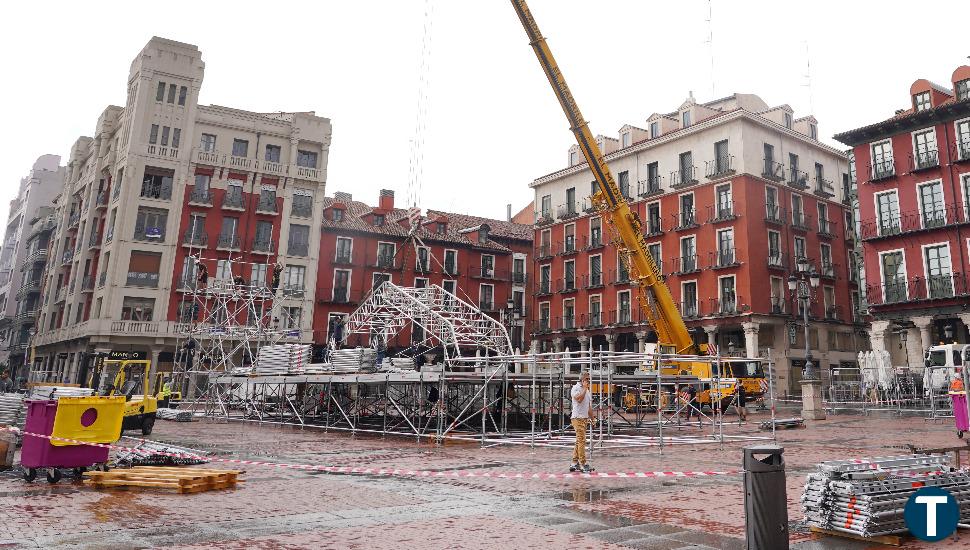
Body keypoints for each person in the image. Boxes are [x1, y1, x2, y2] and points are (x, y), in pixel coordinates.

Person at [569, 371, 594, 473]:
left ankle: (574, 463)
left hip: (584, 418)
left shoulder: (587, 390)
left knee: (579, 441)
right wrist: (584, 388)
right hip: (577, 418)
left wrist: (592, 418)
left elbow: (588, 406)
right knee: (581, 440)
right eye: (587, 379)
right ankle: (583, 464)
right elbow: (579, 399)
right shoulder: (576, 388)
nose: (589, 381)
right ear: (582, 379)